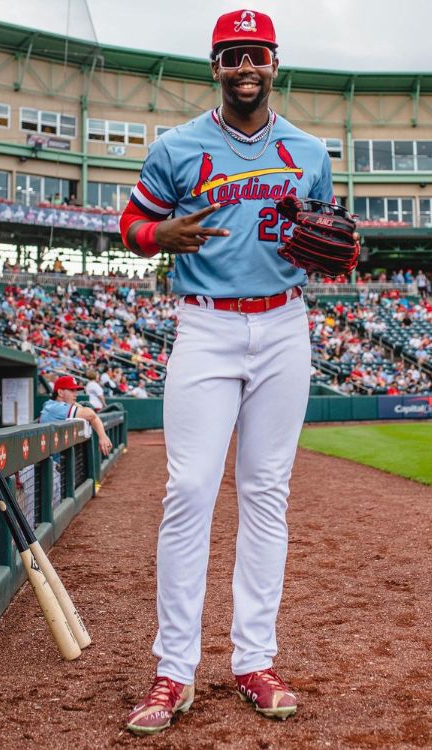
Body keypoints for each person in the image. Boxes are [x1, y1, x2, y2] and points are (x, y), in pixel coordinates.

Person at [120, 8, 353, 736]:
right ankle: (173, 670)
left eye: (256, 54)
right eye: (231, 56)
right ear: (214, 66)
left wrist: (339, 249)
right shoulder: (177, 147)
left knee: (266, 491)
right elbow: (129, 228)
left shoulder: (310, 151)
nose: (244, 67)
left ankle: (255, 659)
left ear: (274, 62)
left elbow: (327, 231)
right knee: (188, 488)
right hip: (209, 323)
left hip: (285, 324)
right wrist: (163, 234)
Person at [39, 374, 112, 456]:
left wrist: (103, 436)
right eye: (71, 390)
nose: (76, 394)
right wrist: (102, 437)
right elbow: (90, 414)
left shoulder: (51, 405)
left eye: (75, 391)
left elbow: (92, 416)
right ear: (60, 392)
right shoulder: (55, 408)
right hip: (50, 464)